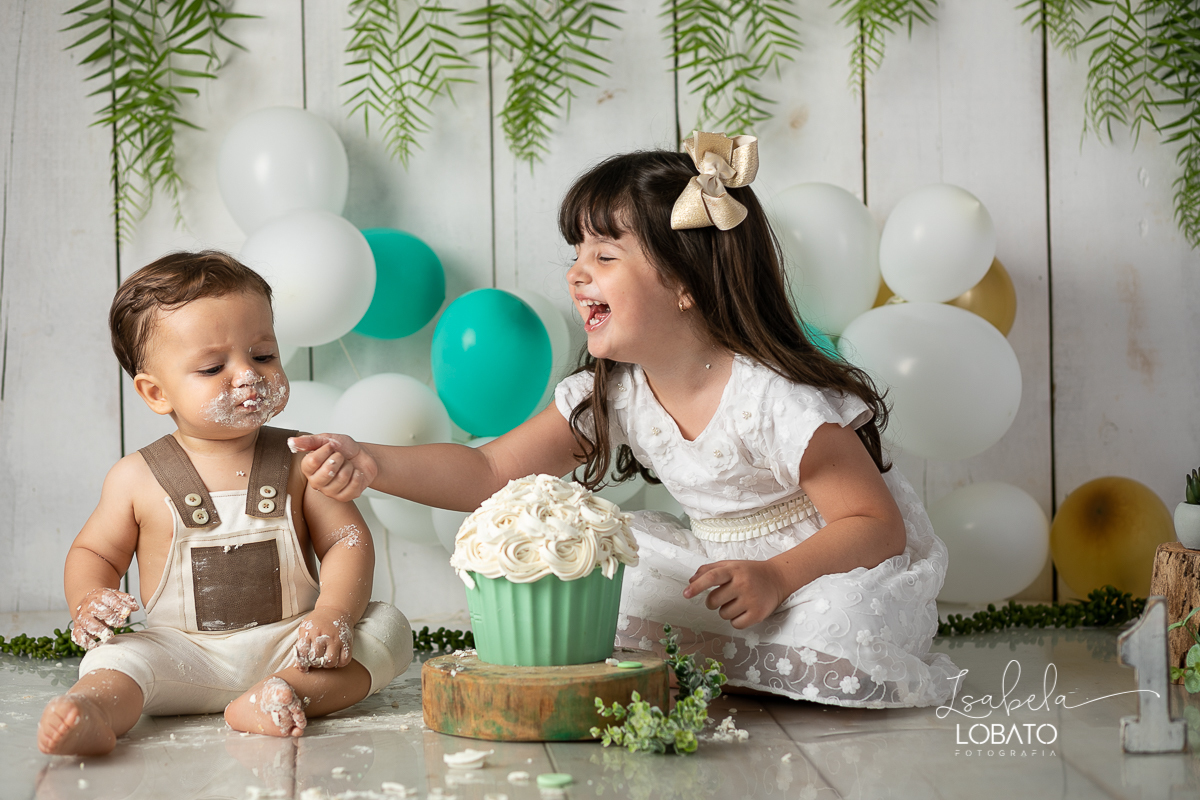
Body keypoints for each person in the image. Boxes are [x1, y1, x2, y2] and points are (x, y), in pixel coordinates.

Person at [294, 132, 958, 707]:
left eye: (604, 257)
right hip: (722, 568)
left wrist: (779, 576)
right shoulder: (617, 393)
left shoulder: (774, 400)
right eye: (576, 255)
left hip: (826, 566)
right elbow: (489, 468)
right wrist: (372, 462)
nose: (576, 275)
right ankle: (748, 661)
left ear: (686, 283)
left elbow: (876, 526)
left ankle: (770, 656)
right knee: (616, 579)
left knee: (843, 625)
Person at [37, 252, 412, 756]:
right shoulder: (136, 477)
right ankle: (95, 710)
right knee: (114, 661)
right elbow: (95, 553)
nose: (248, 376)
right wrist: (89, 598)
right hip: (181, 657)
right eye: (214, 367)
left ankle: (281, 695)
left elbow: (346, 540)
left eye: (264, 356)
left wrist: (333, 614)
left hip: (292, 647)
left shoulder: (301, 460)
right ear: (156, 392)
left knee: (388, 629)